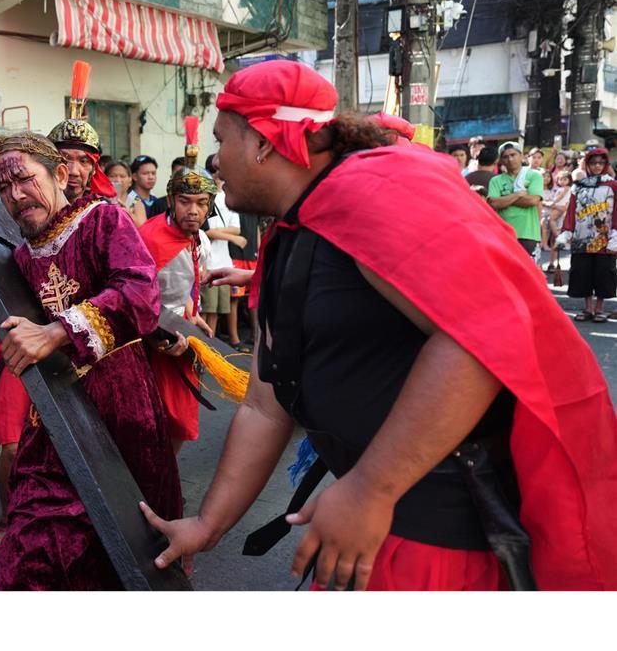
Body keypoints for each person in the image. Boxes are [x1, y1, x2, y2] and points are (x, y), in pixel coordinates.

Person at [140, 59, 617, 591]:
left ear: (264, 143)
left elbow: (475, 340)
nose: (216, 162)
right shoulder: (296, 226)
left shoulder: (366, 196)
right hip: (372, 530)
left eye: (222, 140)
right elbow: (264, 403)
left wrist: (369, 489)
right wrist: (207, 526)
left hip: (430, 547)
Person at [0, 133, 182, 590]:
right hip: (52, 420)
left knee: (129, 558)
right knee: (28, 561)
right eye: (4, 187)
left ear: (62, 175)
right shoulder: (17, 257)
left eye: (24, 180)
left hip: (121, 414)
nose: (15, 195)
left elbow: (139, 294)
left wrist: (55, 331)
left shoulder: (102, 219)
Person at [138, 165, 215, 455]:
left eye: (201, 203)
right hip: (151, 342)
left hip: (182, 336)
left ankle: (164, 485)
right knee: (152, 423)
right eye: (185, 201)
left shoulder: (199, 238)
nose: (193, 210)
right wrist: (157, 338)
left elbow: (186, 285)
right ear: (171, 200)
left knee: (179, 422)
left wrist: (192, 315)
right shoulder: (150, 238)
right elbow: (134, 298)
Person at [558, 148, 616, 322]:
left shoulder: (612, 185)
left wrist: (615, 234)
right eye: (593, 163)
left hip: (604, 239)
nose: (597, 166)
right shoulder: (578, 186)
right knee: (583, 273)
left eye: (601, 163)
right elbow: (571, 211)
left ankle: (599, 309)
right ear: (587, 165)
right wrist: (566, 231)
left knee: (603, 273)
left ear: (606, 164)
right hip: (581, 237)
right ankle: (588, 308)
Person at [202, 155, 245, 345]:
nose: (217, 174)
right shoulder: (205, 197)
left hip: (224, 261)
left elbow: (237, 227)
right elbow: (208, 231)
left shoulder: (229, 197)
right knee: (206, 309)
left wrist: (224, 233)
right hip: (208, 262)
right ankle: (202, 344)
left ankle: (210, 343)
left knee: (218, 309)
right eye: (213, 170)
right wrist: (233, 238)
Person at [487, 141, 544, 257]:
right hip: (504, 235)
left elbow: (532, 201)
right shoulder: (495, 180)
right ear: (501, 160)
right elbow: (493, 204)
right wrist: (517, 195)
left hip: (528, 234)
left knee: (529, 274)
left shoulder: (534, 175)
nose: (510, 159)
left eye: (513, 155)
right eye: (505, 157)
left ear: (521, 156)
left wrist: (503, 199)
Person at [545, 170, 573, 273]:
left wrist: (553, 203)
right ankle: (552, 263)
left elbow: (561, 199)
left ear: (569, 180)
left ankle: (557, 234)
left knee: (552, 220)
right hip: (558, 208)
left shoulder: (566, 188)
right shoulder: (558, 189)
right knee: (554, 243)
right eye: (560, 179)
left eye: (565, 179)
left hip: (561, 209)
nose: (562, 181)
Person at [106, 159, 148, 226]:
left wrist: (128, 213)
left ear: (130, 181)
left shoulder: (135, 201)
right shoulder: (99, 200)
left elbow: (143, 228)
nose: (117, 180)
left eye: (122, 176)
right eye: (113, 176)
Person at [127, 155, 160, 219]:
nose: (151, 177)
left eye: (153, 173)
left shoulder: (154, 199)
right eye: (145, 173)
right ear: (134, 177)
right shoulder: (130, 200)